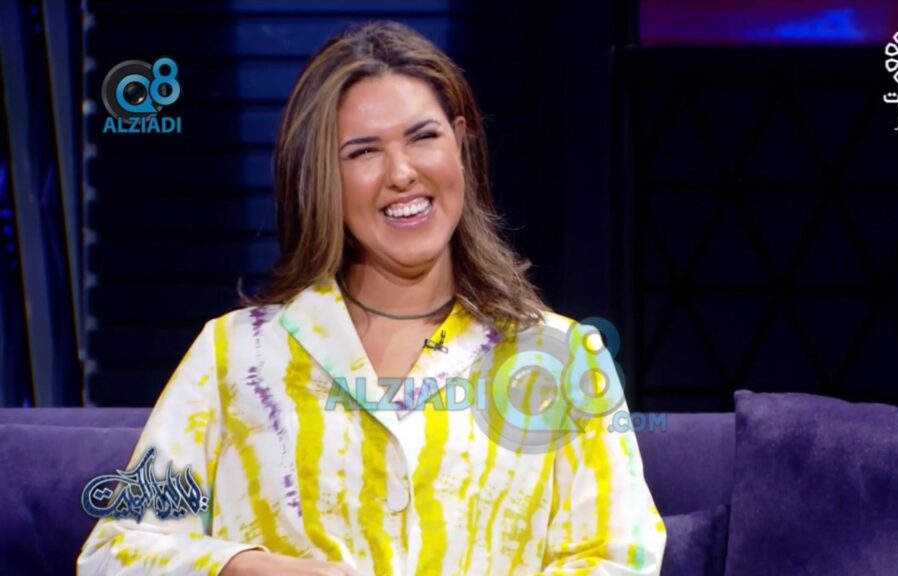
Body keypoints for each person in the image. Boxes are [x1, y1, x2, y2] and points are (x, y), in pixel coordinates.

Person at [77, 20, 665, 575]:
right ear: (322, 177)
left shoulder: (561, 357)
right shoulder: (236, 353)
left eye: (423, 137)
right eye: (363, 151)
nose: (401, 172)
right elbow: (114, 553)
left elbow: (619, 558)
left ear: (460, 146)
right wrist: (249, 566)